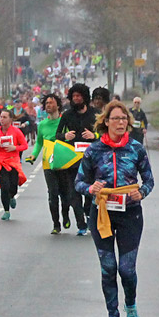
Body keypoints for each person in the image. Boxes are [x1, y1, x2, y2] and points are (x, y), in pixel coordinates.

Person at [76, 100, 154, 317]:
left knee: (127, 269)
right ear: (106, 122)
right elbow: (79, 182)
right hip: (101, 213)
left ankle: (130, 305)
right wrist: (91, 189)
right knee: (108, 267)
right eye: (116, 119)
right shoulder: (94, 150)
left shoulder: (136, 149)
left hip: (130, 213)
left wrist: (140, 192)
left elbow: (149, 180)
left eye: (124, 119)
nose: (120, 123)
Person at [28, 93, 74, 234]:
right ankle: (56, 224)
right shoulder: (42, 124)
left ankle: (65, 214)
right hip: (48, 163)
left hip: (64, 162)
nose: (48, 105)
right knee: (52, 194)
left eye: (51, 102)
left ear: (58, 105)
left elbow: (71, 138)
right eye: (46, 103)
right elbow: (39, 143)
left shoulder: (65, 121)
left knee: (66, 195)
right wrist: (33, 156)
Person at [56, 83, 97, 235]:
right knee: (74, 193)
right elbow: (57, 135)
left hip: (92, 160)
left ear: (85, 97)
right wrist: (64, 136)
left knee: (90, 192)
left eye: (79, 96)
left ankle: (88, 213)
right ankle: (81, 224)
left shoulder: (95, 114)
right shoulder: (67, 115)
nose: (76, 99)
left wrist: (94, 136)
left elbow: (105, 135)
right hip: (72, 160)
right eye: (73, 96)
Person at [0, 107, 28, 220]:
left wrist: (15, 147)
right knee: (4, 187)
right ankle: (6, 211)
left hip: (13, 161)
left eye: (4, 117)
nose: (2, 119)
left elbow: (25, 145)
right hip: (0, 162)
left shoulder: (16, 131)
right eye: (1, 117)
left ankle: (12, 196)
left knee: (13, 185)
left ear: (10, 119)